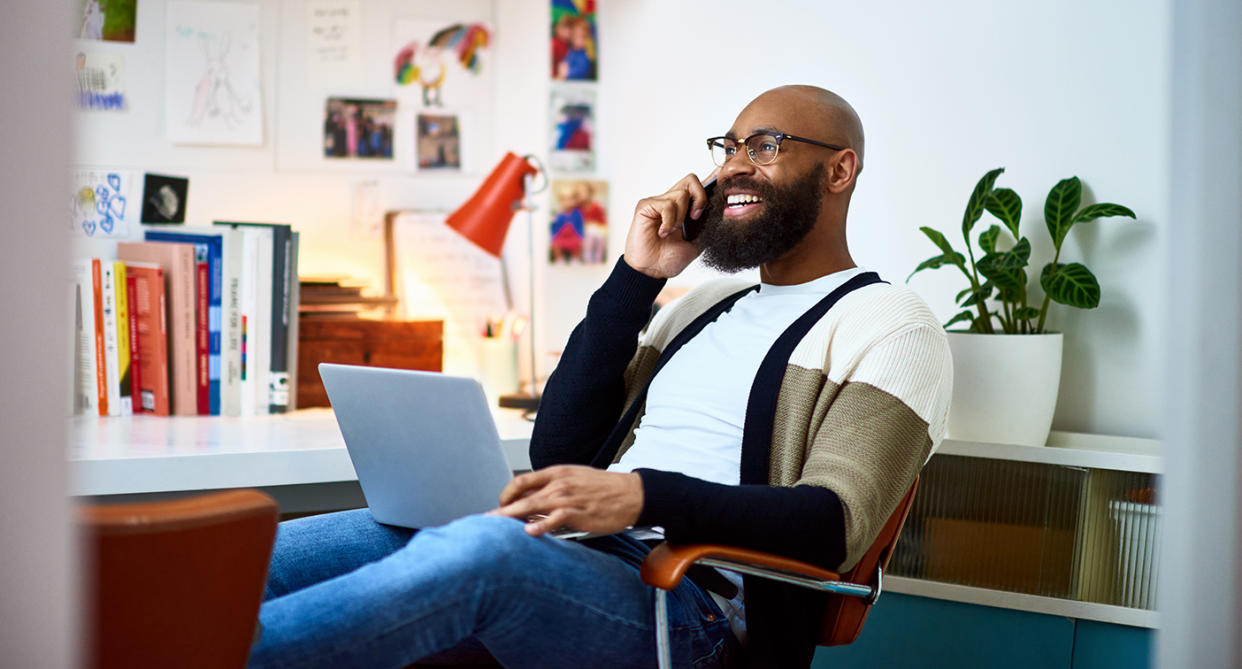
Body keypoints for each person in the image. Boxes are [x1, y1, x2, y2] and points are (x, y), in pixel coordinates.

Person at [247, 85, 952, 669]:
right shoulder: (702, 305)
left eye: (765, 146)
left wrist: (640, 495)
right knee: (267, 551)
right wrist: (636, 277)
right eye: (728, 148)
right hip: (577, 556)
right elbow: (561, 449)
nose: (735, 165)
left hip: (690, 607)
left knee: (483, 550)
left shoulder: (890, 324)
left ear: (839, 170)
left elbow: (832, 524)